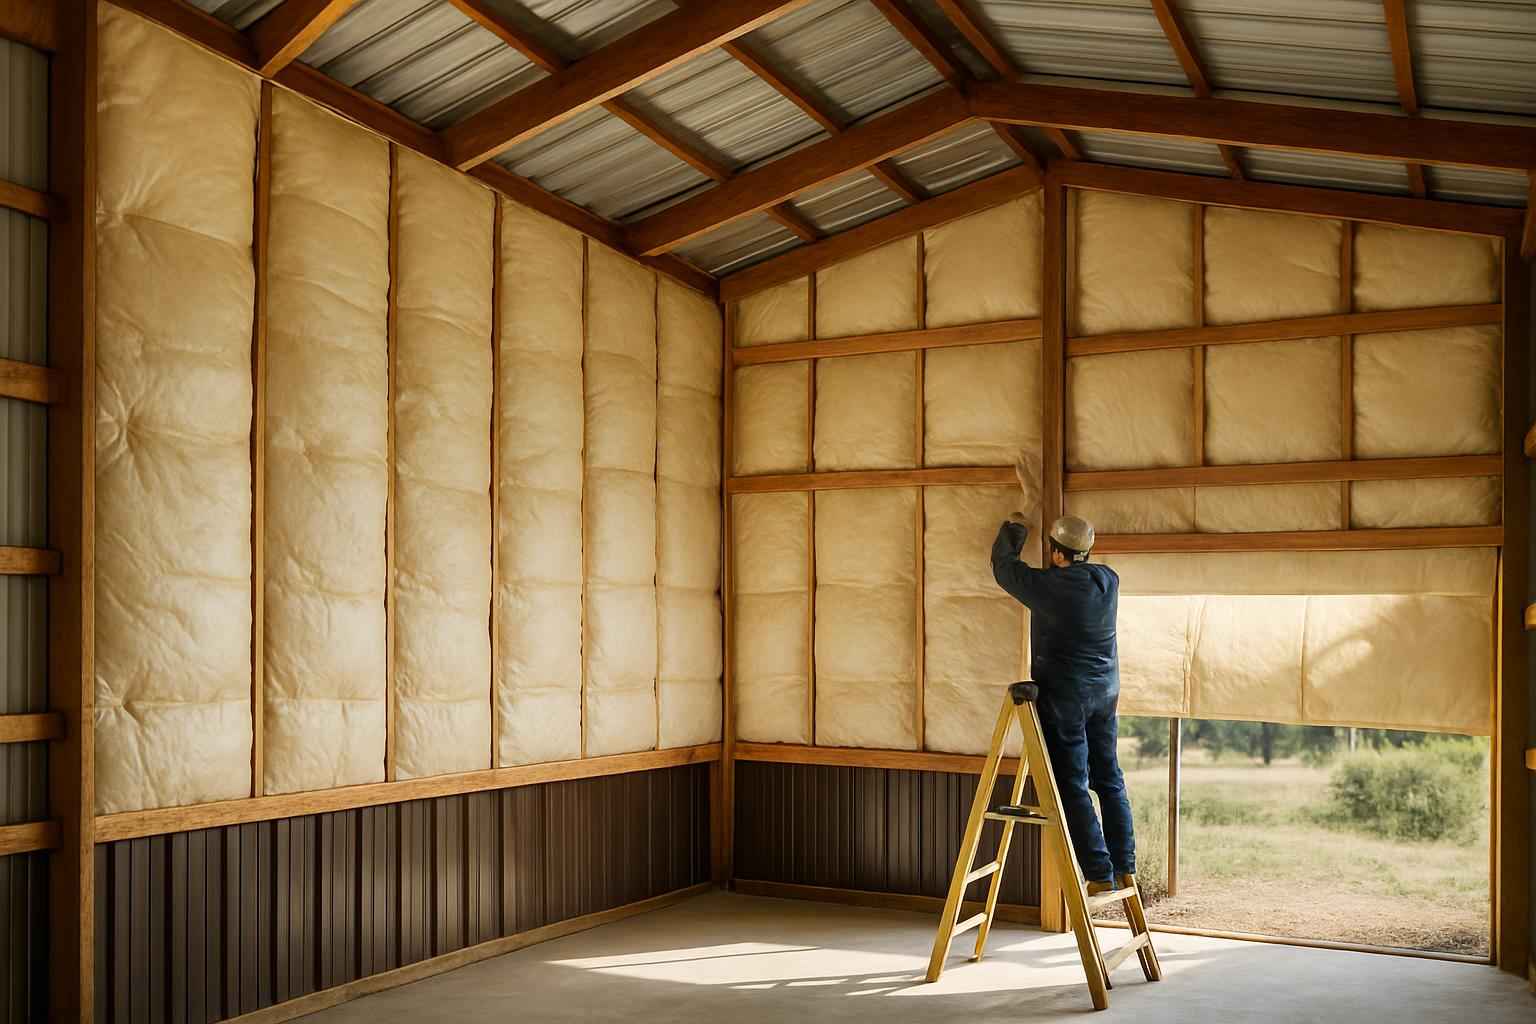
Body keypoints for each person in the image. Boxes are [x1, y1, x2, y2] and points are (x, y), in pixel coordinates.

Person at [990, 504, 1136, 896]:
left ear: (1056, 553)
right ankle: (1126, 865)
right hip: (1105, 692)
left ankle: (1099, 872)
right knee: (1109, 778)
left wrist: (1014, 529)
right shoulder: (1109, 579)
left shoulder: (1050, 587)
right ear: (1088, 550)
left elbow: (1005, 569)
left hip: (1067, 696)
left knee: (1071, 783)